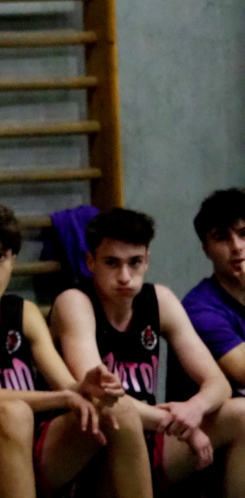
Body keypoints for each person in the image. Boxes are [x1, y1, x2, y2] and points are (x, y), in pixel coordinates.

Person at [0, 203, 150, 498]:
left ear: (13, 259)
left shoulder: (25, 313)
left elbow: (67, 386)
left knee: (119, 410)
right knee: (14, 413)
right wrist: (61, 397)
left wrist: (84, 387)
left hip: (26, 449)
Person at [50, 207, 245, 495]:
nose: (124, 276)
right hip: (91, 446)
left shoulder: (161, 300)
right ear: (91, 262)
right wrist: (182, 427)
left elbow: (217, 383)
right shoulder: (75, 302)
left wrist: (195, 409)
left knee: (242, 413)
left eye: (135, 262)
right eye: (112, 263)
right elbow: (98, 396)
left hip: (151, 432)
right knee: (118, 412)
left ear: (147, 261)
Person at [175, 189, 245, 399]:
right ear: (206, 250)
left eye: (244, 234)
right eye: (222, 238)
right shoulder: (199, 309)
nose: (237, 247)